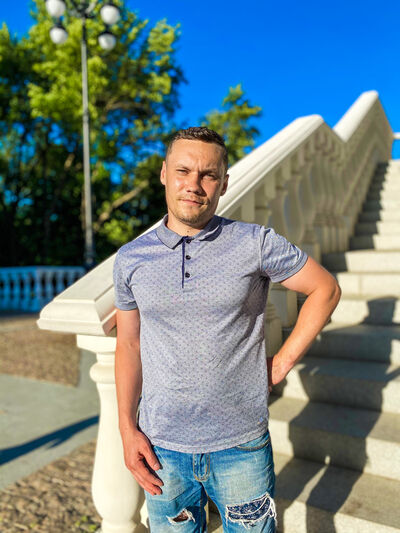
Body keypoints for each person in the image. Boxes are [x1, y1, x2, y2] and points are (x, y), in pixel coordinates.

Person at [113, 127, 341, 532]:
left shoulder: (254, 242)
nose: (194, 184)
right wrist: (126, 430)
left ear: (224, 183)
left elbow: (325, 289)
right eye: (183, 171)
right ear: (164, 173)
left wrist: (281, 363)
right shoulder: (131, 258)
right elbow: (129, 344)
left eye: (208, 174)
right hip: (161, 447)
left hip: (241, 445)